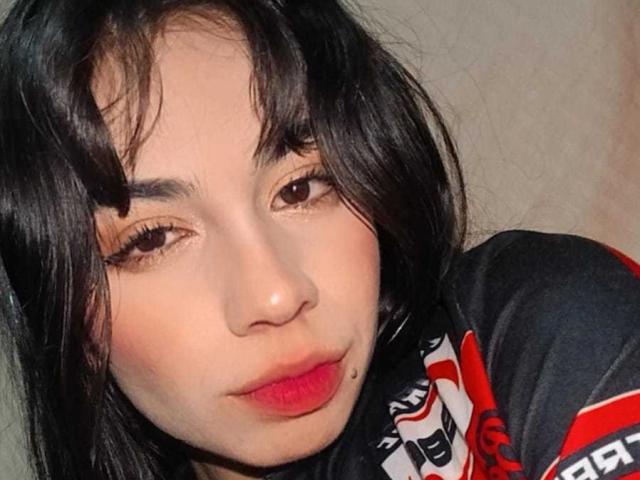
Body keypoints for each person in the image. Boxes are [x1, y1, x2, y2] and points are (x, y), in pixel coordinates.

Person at [0, 1, 638, 479]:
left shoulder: (526, 338)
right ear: (64, 311)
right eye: (153, 237)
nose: (277, 295)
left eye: (301, 188)